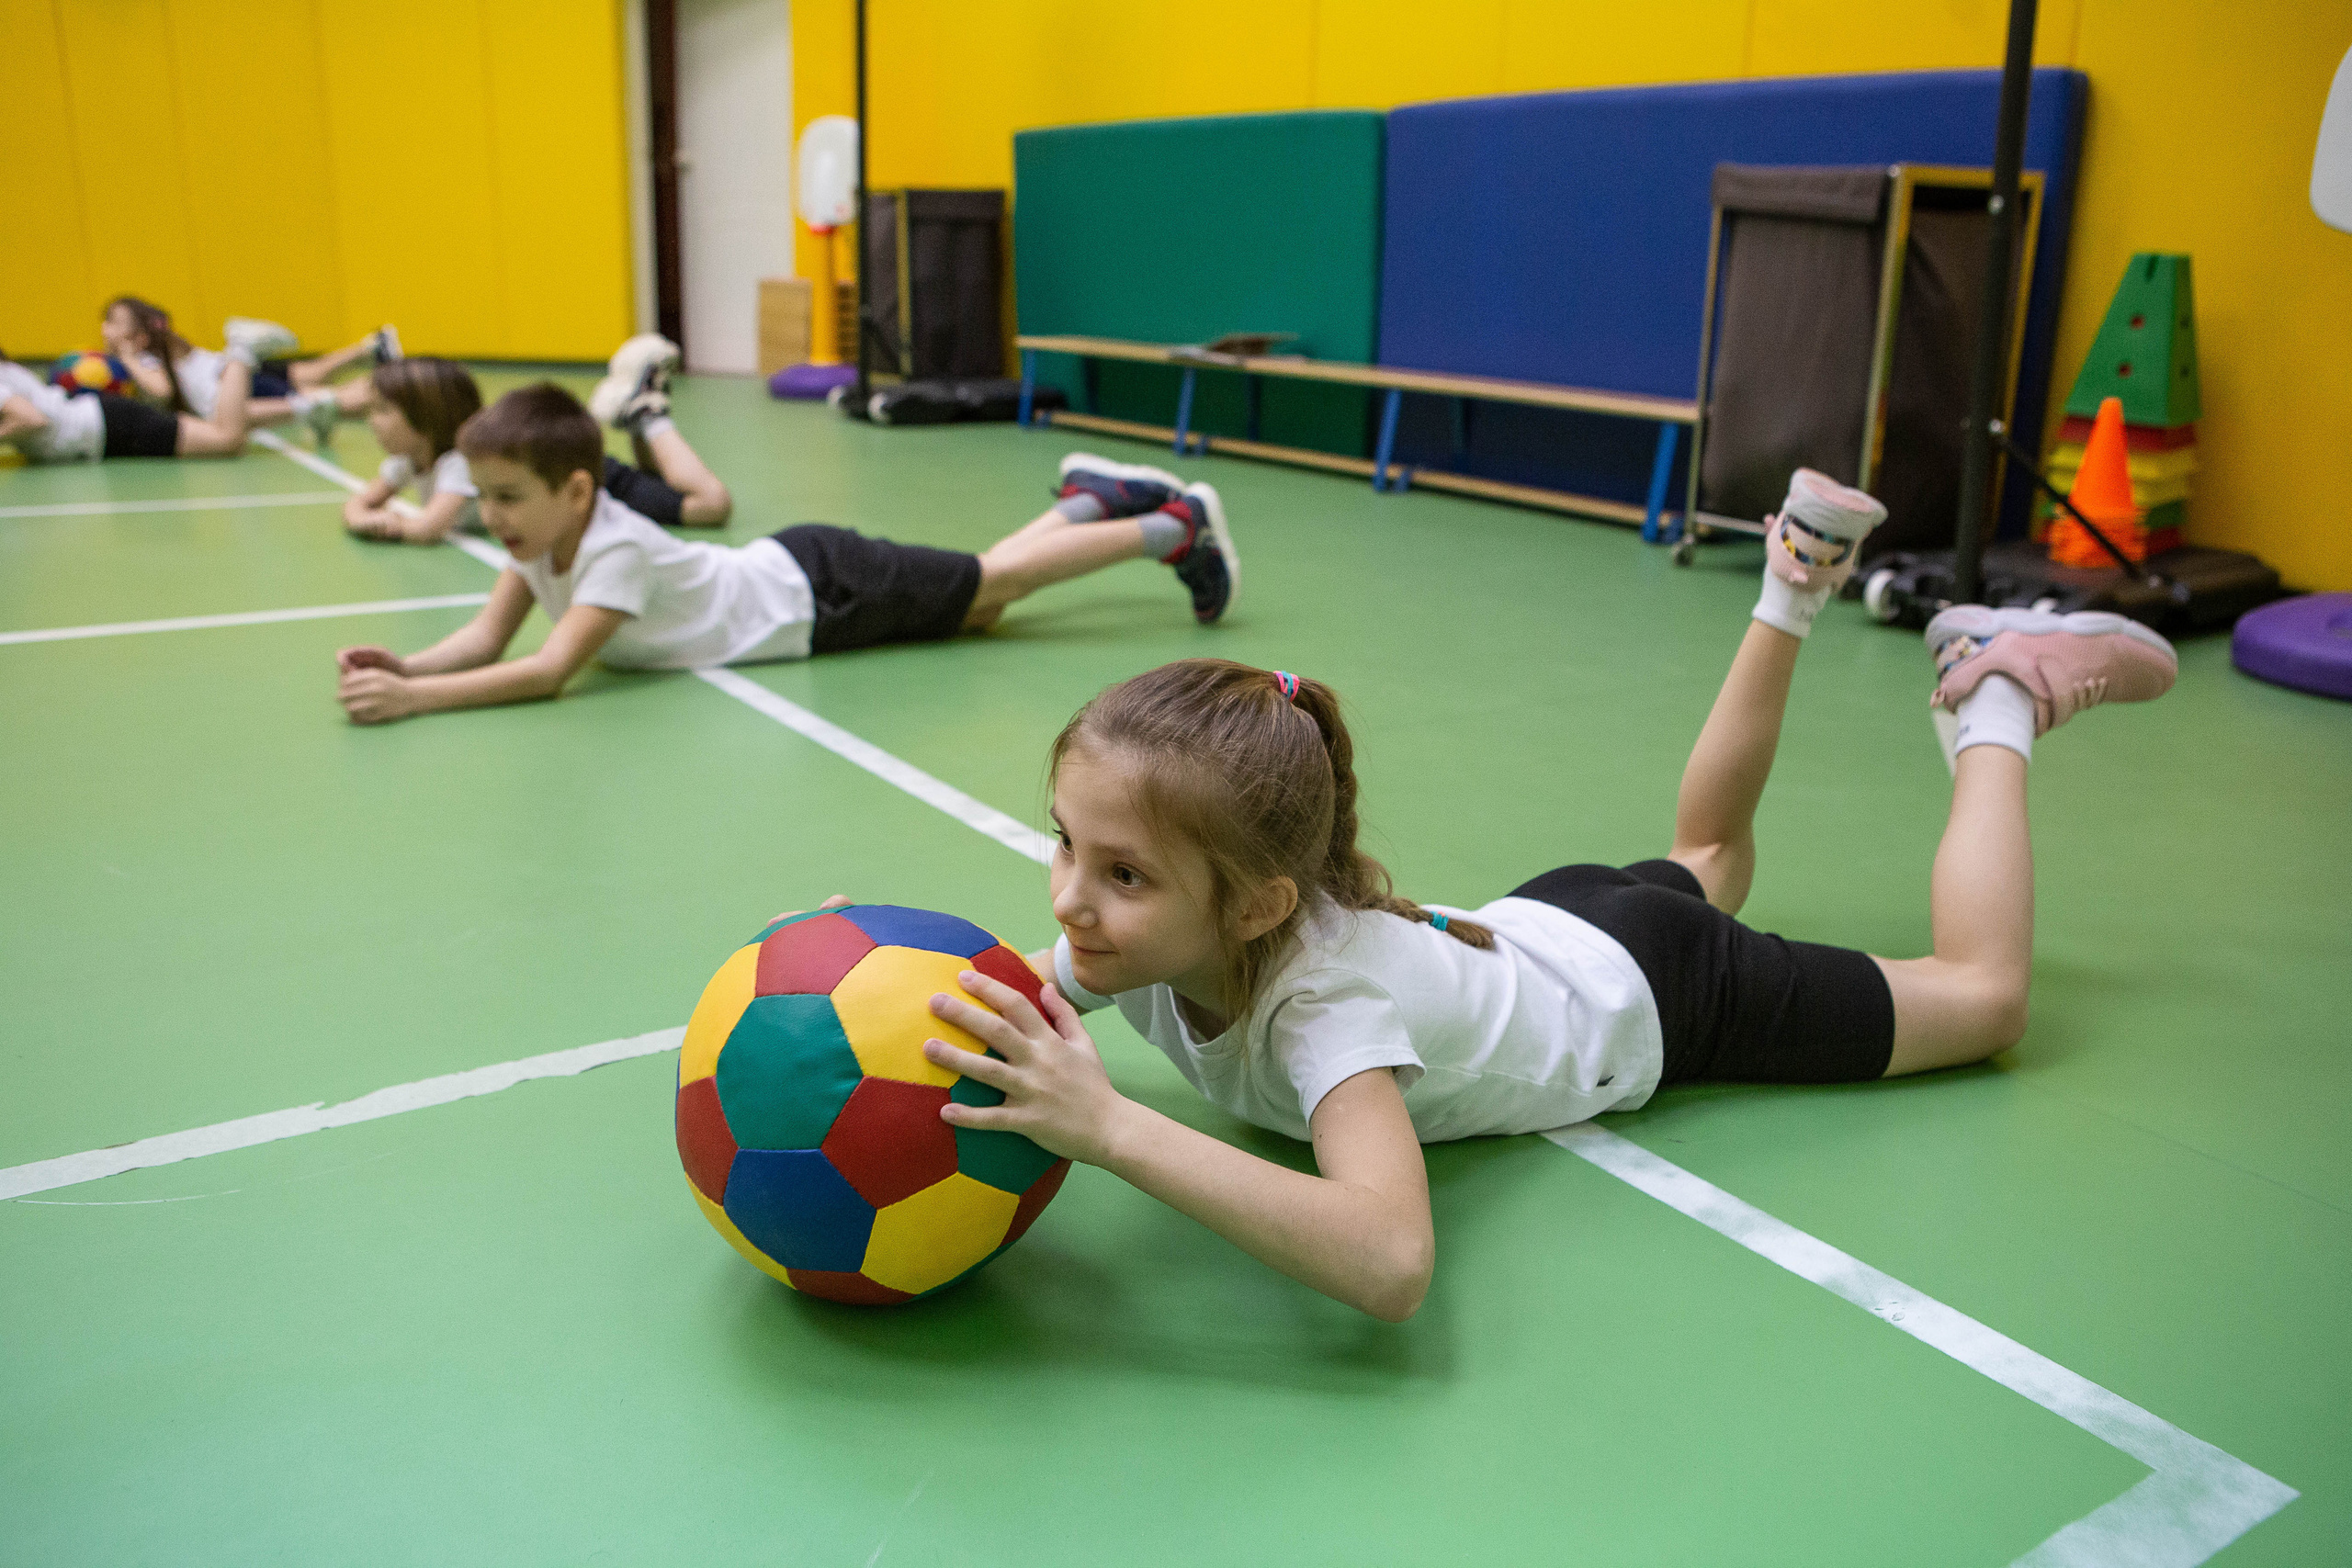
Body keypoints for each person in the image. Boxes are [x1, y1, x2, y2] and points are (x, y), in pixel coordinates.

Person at [905, 472, 2177, 1322]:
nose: (1071, 902)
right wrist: (882, 965)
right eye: (1066, 843)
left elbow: (1392, 1258)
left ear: (1254, 907)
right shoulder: (1133, 938)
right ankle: (1794, 574)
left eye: (1123, 873)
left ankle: (1998, 702)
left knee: (1985, 995)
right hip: (1544, 922)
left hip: (1660, 991)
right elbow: (996, 991)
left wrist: (1114, 1129)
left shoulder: (1323, 1012)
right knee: (1712, 851)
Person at [333, 385, 1240, 723]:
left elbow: (549, 670)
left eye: (505, 497)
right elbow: (489, 640)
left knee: (990, 589)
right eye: (484, 497)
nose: (490, 517)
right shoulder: (537, 541)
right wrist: (406, 660)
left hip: (819, 585)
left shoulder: (612, 550)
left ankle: (1174, 529)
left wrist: (415, 700)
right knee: (981, 596)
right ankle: (1093, 501)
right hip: (812, 599)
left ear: (576, 490)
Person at [341, 343, 731, 543]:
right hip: (563, 486)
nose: (371, 421)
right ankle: (636, 416)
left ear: (425, 418)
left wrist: (383, 525)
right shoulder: (405, 463)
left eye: (382, 411)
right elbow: (358, 505)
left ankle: (649, 415)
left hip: (593, 485)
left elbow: (428, 529)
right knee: (664, 485)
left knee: (711, 505)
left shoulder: (459, 463)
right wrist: (369, 518)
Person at [102, 296, 395, 449]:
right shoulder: (167, 351)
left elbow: (162, 391)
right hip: (227, 377)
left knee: (321, 397)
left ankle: (389, 387)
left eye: (111, 322)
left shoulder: (142, 360)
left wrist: (127, 358)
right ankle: (377, 368)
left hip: (228, 388)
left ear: (137, 336)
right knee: (315, 390)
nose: (105, 328)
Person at [0, 317, 290, 463]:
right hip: (104, 421)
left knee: (227, 441)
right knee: (224, 436)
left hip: (108, 426)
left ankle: (240, 352)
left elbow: (31, 419)